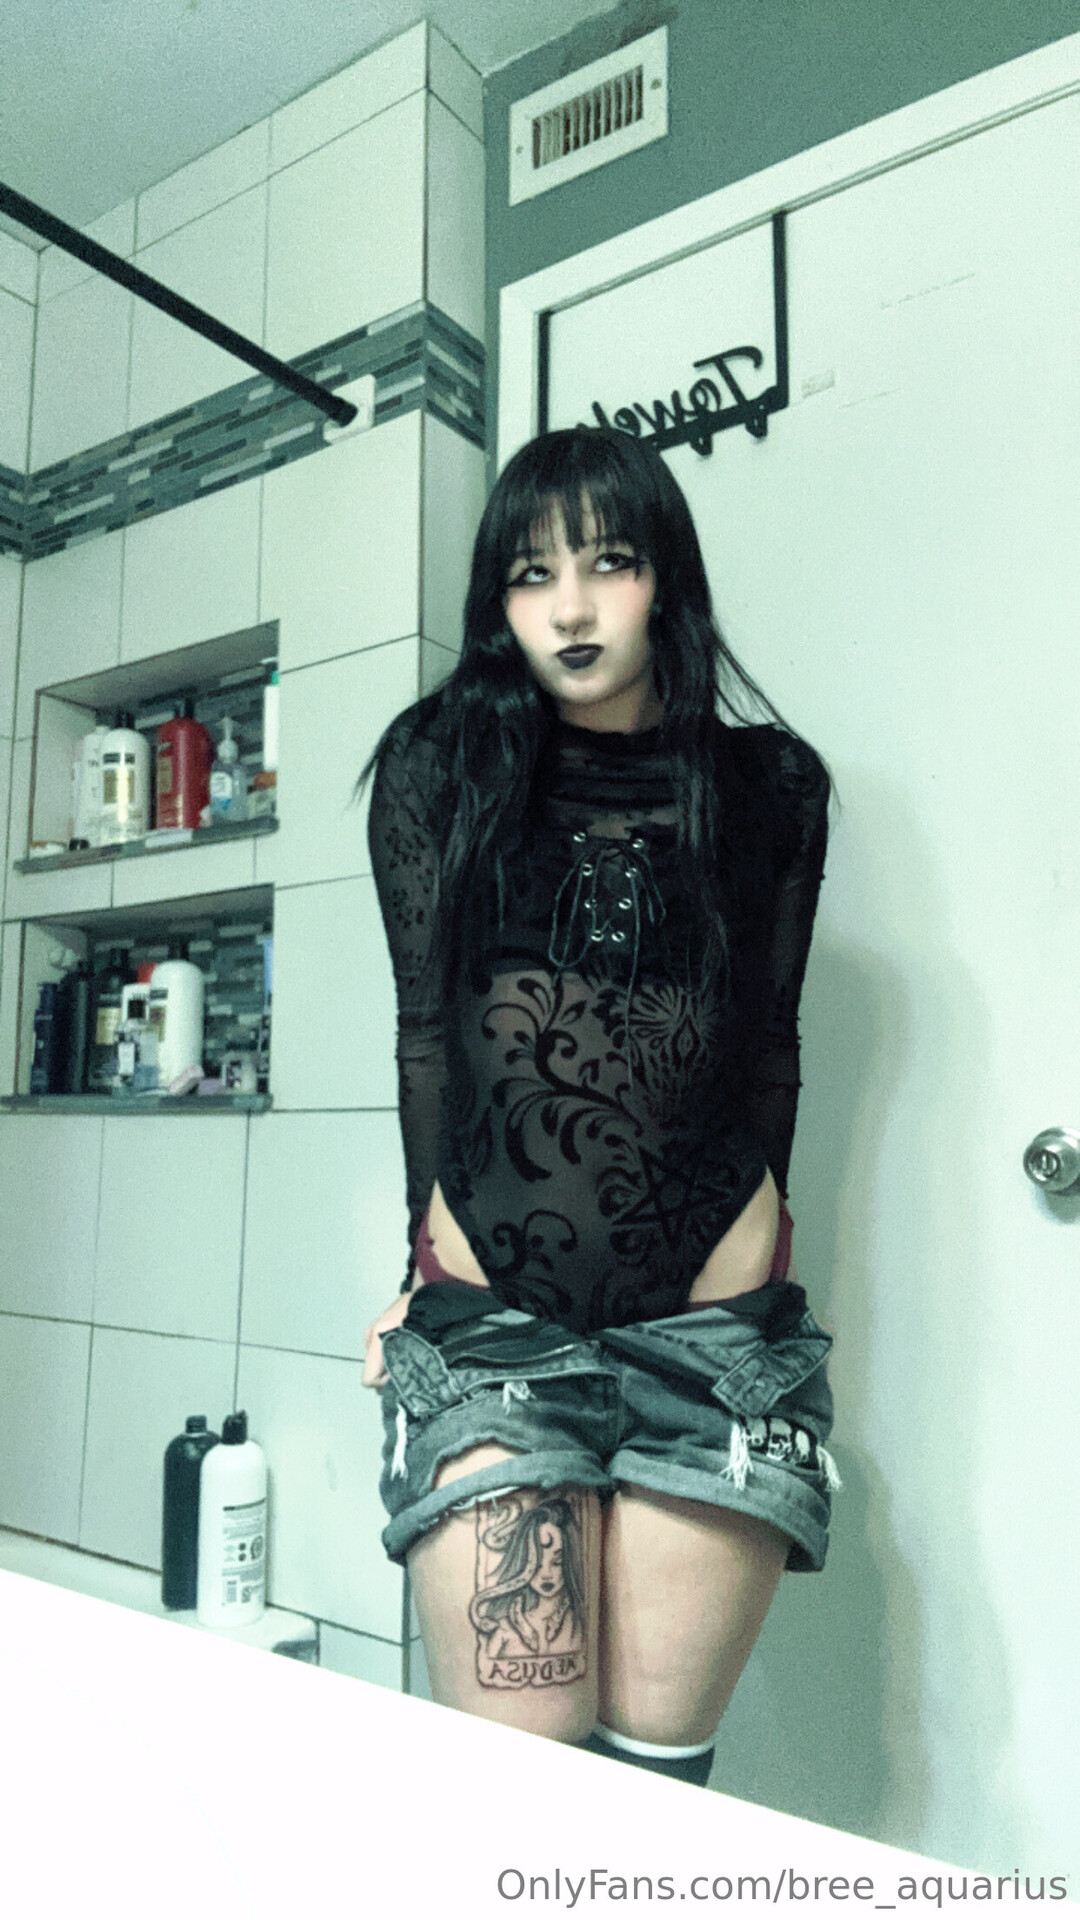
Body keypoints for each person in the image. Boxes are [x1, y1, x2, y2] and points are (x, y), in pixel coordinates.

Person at [361, 424, 836, 1788]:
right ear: (497, 602)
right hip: (497, 1330)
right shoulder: (441, 770)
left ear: (663, 578)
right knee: (525, 1793)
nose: (569, 608)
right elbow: (425, 1037)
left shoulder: (774, 789)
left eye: (608, 563)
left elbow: (771, 1046)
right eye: (531, 575)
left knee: (655, 1794)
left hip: (716, 1348)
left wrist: (771, 1254)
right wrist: (415, 1268)